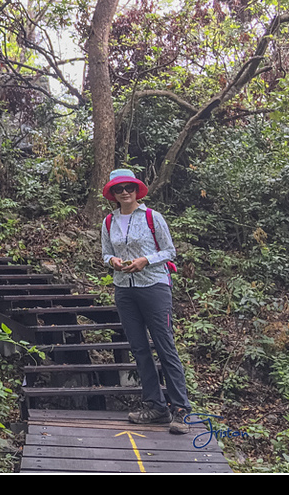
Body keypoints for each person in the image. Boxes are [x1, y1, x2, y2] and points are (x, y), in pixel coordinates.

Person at [100, 169, 190, 434]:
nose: (124, 192)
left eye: (128, 187)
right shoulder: (109, 221)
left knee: (165, 346)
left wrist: (145, 260)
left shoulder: (152, 217)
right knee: (139, 349)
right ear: (113, 194)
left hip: (154, 285)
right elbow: (105, 253)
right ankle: (155, 406)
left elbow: (170, 251)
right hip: (124, 289)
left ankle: (180, 409)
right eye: (118, 189)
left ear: (136, 189)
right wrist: (113, 261)